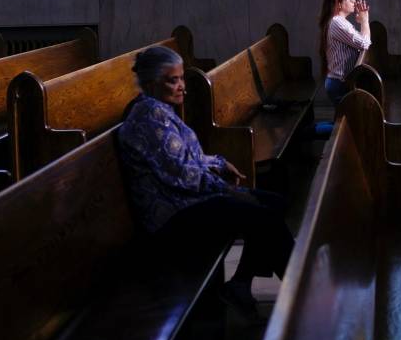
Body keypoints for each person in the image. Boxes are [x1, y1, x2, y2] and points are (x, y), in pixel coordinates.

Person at [116, 46, 294, 321]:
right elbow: (183, 176)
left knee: (274, 204)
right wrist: (230, 190)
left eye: (181, 78)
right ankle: (303, 298)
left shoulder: (158, 109)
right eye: (172, 80)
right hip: (171, 216)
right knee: (263, 216)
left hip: (187, 201)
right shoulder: (149, 117)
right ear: (151, 83)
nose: (182, 87)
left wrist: (220, 164)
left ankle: (242, 283)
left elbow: (188, 158)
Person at [318, 0, 371, 107]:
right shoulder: (337, 23)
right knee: (347, 124)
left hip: (342, 82)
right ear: (339, 4)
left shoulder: (341, 22)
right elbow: (365, 44)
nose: (354, 1)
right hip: (339, 84)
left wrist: (364, 21)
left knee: (347, 122)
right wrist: (364, 21)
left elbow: (363, 43)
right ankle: (309, 127)